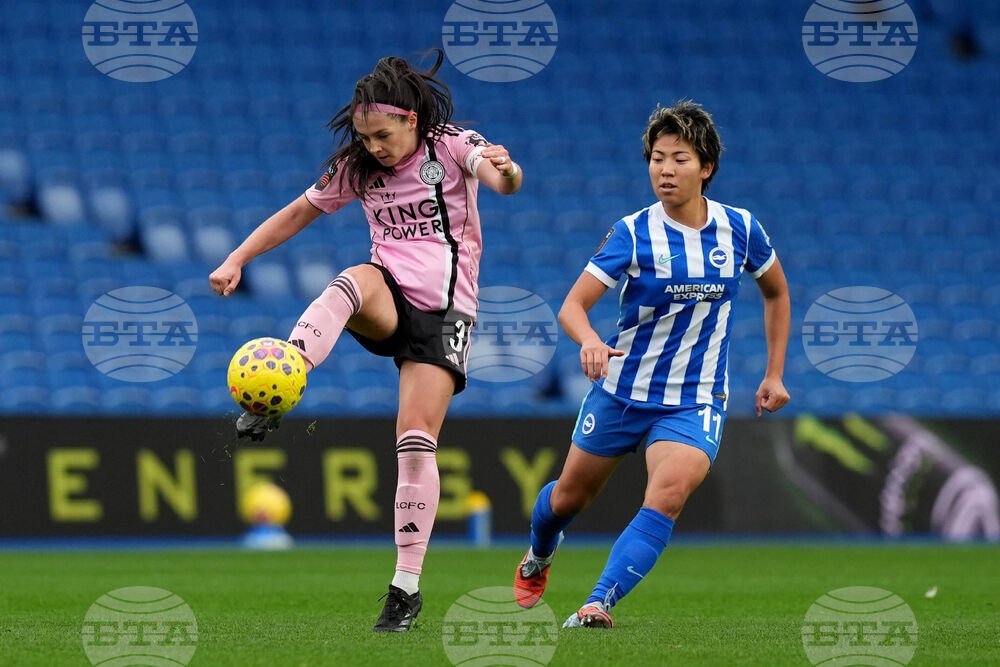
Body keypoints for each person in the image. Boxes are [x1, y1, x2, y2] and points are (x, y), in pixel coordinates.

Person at [209, 50, 522, 632]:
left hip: (446, 314)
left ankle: (405, 589)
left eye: (382, 135)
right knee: (349, 281)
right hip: (389, 293)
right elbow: (298, 213)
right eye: (365, 136)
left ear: (410, 119)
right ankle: (284, 380)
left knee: (414, 444)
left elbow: (500, 178)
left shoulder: (451, 145)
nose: (374, 146)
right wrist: (238, 257)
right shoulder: (358, 166)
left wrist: (504, 169)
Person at [513, 100, 789, 628]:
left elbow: (776, 293)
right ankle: (540, 553)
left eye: (679, 158)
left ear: (706, 167)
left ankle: (596, 604)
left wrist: (774, 372)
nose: (665, 169)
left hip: (695, 397)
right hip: (622, 391)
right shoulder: (633, 232)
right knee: (569, 497)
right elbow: (572, 306)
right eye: (657, 158)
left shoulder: (740, 228)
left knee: (667, 494)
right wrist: (590, 340)